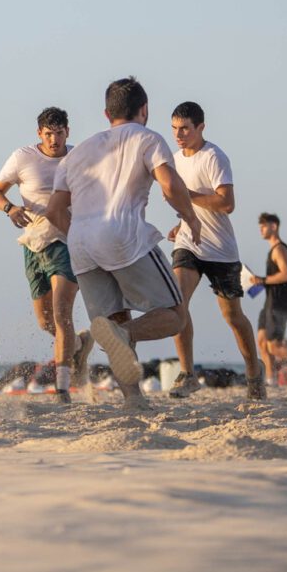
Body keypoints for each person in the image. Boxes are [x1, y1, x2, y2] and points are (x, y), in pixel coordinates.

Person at [44, 77, 201, 402]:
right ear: (145, 109)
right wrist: (191, 218)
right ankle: (121, 334)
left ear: (107, 113)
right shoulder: (147, 138)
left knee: (113, 319)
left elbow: (54, 210)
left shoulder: (78, 152)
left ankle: (133, 399)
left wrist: (80, 235)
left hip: (80, 244)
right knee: (175, 314)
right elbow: (170, 185)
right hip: (122, 235)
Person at [0, 106, 93, 402]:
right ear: (39, 133)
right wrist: (10, 208)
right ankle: (78, 347)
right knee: (45, 322)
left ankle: (62, 389)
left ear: (67, 132)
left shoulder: (79, 158)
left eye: (59, 133)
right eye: (48, 134)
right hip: (33, 244)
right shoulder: (23, 157)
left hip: (66, 242)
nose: (54, 140)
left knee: (61, 314)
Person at [165, 102, 265, 400]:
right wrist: (181, 223)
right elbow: (186, 204)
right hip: (188, 243)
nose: (178, 135)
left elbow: (226, 203)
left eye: (185, 129)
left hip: (220, 249)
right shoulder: (173, 160)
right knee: (176, 302)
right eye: (174, 129)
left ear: (200, 127)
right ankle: (187, 374)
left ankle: (254, 371)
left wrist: (189, 196)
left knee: (233, 316)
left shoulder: (214, 157)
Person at [249, 212, 287, 379]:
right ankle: (270, 379)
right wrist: (259, 282)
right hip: (269, 303)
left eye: (263, 226)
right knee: (262, 342)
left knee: (274, 347)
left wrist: (263, 280)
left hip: (279, 303)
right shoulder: (272, 250)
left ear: (274, 226)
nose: (261, 230)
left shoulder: (279, 249)